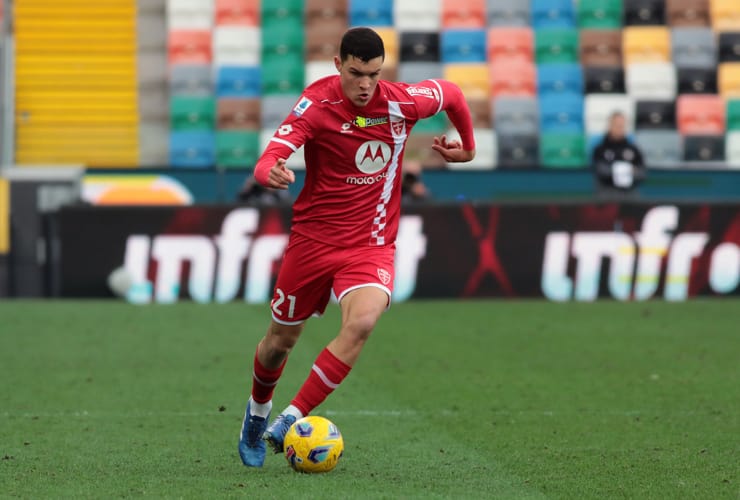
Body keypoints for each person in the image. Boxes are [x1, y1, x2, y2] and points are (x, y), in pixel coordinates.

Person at [238, 27, 476, 468]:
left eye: (373, 74)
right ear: (338, 66)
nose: (365, 84)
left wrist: (469, 146)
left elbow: (454, 94)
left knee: (363, 322)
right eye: (355, 73)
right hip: (312, 241)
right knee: (280, 342)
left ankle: (290, 419)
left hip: (370, 243)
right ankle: (257, 413)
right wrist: (267, 169)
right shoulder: (317, 103)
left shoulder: (403, 102)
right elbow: (274, 151)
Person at [591, 111, 646, 199]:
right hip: (607, 195)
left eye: (622, 125)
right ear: (610, 125)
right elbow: (601, 171)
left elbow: (642, 173)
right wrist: (626, 169)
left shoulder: (633, 149)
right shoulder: (600, 149)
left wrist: (634, 172)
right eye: (616, 125)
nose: (619, 128)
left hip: (630, 195)